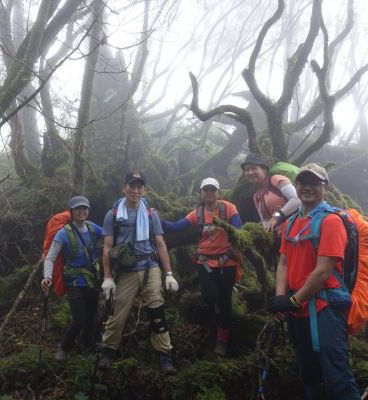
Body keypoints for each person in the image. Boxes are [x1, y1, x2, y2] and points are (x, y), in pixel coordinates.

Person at [266, 163, 361, 399]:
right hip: (298, 309)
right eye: (302, 183)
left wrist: (292, 301)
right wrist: (280, 297)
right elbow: (283, 263)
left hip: (325, 308)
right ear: (296, 186)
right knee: (308, 374)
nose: (307, 188)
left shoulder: (331, 221)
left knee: (336, 376)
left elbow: (323, 272)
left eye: (314, 183)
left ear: (326, 188)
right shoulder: (290, 223)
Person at [98, 171, 179, 373]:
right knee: (117, 313)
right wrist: (107, 277)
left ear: (144, 189)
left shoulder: (151, 214)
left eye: (139, 187)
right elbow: (107, 247)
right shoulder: (113, 215)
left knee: (157, 311)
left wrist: (168, 274)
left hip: (150, 266)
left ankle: (164, 355)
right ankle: (107, 351)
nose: (135, 190)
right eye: (131, 186)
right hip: (126, 270)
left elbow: (160, 244)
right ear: (124, 188)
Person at [161, 177, 242, 356]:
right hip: (205, 262)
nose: (209, 192)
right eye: (206, 190)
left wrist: (238, 235)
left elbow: (239, 228)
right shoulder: (197, 213)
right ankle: (217, 312)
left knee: (225, 301)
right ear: (201, 193)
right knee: (209, 296)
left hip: (227, 262)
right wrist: (156, 220)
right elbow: (177, 227)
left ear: (218, 192)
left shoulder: (228, 208)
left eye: (213, 189)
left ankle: (222, 342)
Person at [41, 196, 103, 361]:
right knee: (80, 319)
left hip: (93, 280)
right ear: (72, 211)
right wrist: (47, 277)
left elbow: (110, 234)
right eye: (77, 208)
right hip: (75, 282)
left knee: (91, 318)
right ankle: (64, 348)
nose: (81, 211)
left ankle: (87, 350)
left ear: (88, 210)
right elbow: (50, 257)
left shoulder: (93, 228)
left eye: (84, 208)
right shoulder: (63, 233)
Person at [241, 153, 300, 232]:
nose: (250, 172)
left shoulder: (276, 180)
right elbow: (265, 221)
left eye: (253, 168)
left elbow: (297, 199)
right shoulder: (256, 196)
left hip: (296, 229)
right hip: (279, 236)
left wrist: (276, 216)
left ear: (264, 169)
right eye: (247, 170)